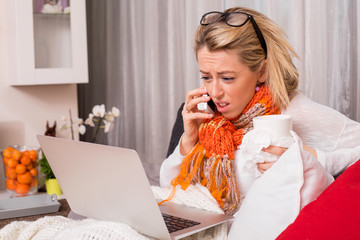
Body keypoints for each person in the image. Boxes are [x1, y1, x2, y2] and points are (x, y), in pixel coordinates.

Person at [160, 6, 360, 217]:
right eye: (206, 77)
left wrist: (310, 157)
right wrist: (188, 141)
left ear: (262, 71)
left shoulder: (293, 111)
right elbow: (168, 188)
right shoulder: (207, 117)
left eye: (227, 78)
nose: (214, 92)